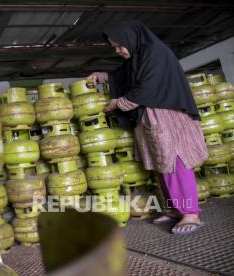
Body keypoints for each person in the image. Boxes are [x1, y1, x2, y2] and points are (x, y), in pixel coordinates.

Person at [88, 20, 208, 235]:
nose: (118, 50)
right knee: (161, 164)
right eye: (114, 47)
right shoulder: (138, 55)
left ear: (130, 38)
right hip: (151, 117)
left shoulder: (154, 52)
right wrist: (101, 76)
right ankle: (174, 210)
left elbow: (148, 86)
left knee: (176, 162)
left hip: (167, 114)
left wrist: (119, 103)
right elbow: (123, 75)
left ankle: (191, 213)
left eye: (119, 45)